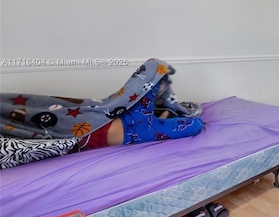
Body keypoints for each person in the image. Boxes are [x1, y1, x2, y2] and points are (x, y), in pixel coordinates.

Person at [0, 58, 204, 151]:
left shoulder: (148, 127)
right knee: (155, 65)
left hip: (111, 121)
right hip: (111, 121)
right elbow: (196, 125)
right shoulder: (147, 127)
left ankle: (166, 107)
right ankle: (166, 105)